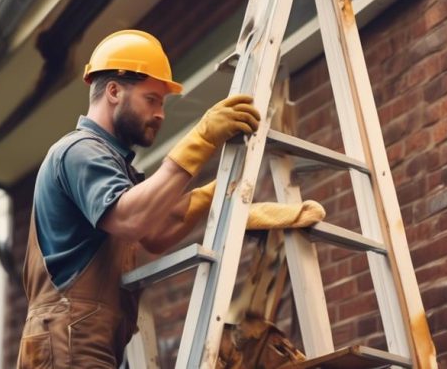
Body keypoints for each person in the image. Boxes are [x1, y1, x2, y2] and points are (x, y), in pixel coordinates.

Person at [17, 30, 324, 368]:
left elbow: (156, 232)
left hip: (85, 340)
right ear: (114, 91)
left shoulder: (113, 164)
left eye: (162, 102)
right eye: (151, 99)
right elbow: (131, 219)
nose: (160, 113)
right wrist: (201, 139)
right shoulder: (81, 151)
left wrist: (217, 196)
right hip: (67, 341)